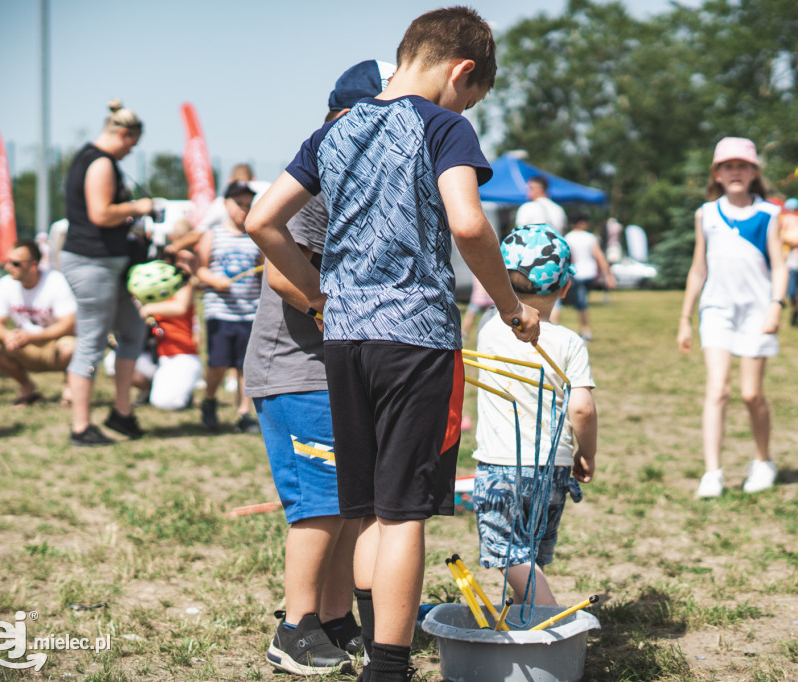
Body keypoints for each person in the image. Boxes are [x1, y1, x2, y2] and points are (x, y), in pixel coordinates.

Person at [246, 8, 540, 680]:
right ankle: (389, 666)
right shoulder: (446, 127)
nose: (465, 105)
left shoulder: (334, 133)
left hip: (344, 343)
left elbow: (261, 221)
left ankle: (375, 643)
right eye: (471, 93)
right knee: (405, 512)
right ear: (462, 70)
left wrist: (320, 295)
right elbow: (468, 223)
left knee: (367, 506)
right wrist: (511, 304)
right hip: (416, 341)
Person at [246, 59, 395, 676]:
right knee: (322, 503)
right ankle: (296, 627)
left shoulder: (363, 175)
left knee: (350, 503)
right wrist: (330, 309)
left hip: (332, 369)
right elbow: (280, 268)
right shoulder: (323, 175)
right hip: (296, 368)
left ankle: (335, 618)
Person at [472, 224, 597, 606]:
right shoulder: (570, 342)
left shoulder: (488, 328)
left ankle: (548, 617)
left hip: (500, 466)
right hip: (553, 469)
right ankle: (528, 613)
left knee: (509, 553)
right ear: (564, 288)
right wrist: (586, 453)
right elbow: (581, 407)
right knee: (529, 551)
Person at [677, 137, 787, 498]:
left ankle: (763, 460)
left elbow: (780, 265)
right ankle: (713, 472)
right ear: (717, 174)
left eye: (742, 166)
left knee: (751, 393)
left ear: (754, 172)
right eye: (728, 166)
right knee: (717, 389)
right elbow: (698, 269)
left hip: (757, 311)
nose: (735, 172)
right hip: (717, 310)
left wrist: (776, 304)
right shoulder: (706, 213)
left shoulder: (769, 214)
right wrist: (685, 318)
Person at [60, 100, 154, 446]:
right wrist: (139, 207)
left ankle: (121, 412)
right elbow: (100, 213)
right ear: (124, 134)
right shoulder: (99, 162)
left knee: (132, 331)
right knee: (92, 341)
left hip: (113, 263)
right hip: (91, 262)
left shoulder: (101, 161)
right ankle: (81, 427)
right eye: (132, 144)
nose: (131, 151)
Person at [195, 179, 262, 433]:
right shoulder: (213, 235)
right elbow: (200, 268)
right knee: (218, 363)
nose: (243, 209)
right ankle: (210, 400)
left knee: (245, 365)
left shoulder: (255, 236)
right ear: (225, 204)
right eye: (238, 203)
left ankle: (244, 413)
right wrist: (213, 280)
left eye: (248, 204)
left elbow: (262, 268)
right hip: (220, 313)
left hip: (249, 312)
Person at [0, 239, 76, 405]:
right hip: (22, 346)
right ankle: (26, 386)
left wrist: (32, 337)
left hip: (51, 345)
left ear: (33, 265)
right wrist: (7, 335)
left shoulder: (55, 281)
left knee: (71, 347)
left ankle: (69, 385)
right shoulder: (5, 284)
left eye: (15, 263)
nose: (7, 267)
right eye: (7, 261)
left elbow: (69, 324)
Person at [133, 251, 202, 411]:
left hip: (181, 354)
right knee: (114, 361)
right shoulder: (146, 287)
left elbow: (180, 307)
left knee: (164, 403)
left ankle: (182, 392)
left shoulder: (182, 282)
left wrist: (149, 308)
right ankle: (151, 388)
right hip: (156, 355)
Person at [551, 211, 615, 341]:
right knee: (581, 303)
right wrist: (608, 274)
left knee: (569, 302)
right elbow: (599, 256)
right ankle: (585, 330)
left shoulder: (568, 237)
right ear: (582, 223)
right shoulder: (590, 237)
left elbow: (569, 258)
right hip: (589, 274)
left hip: (576, 274)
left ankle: (581, 331)